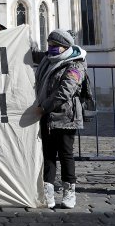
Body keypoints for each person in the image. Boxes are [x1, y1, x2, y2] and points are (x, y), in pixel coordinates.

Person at [33, 29, 86, 209]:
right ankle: (48, 192)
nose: (51, 49)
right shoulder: (48, 60)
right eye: (49, 45)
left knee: (65, 155)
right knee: (48, 155)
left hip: (65, 116)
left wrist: (44, 107)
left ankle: (69, 192)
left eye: (54, 46)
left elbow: (65, 91)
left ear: (64, 47)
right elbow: (32, 54)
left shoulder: (76, 65)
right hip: (47, 115)